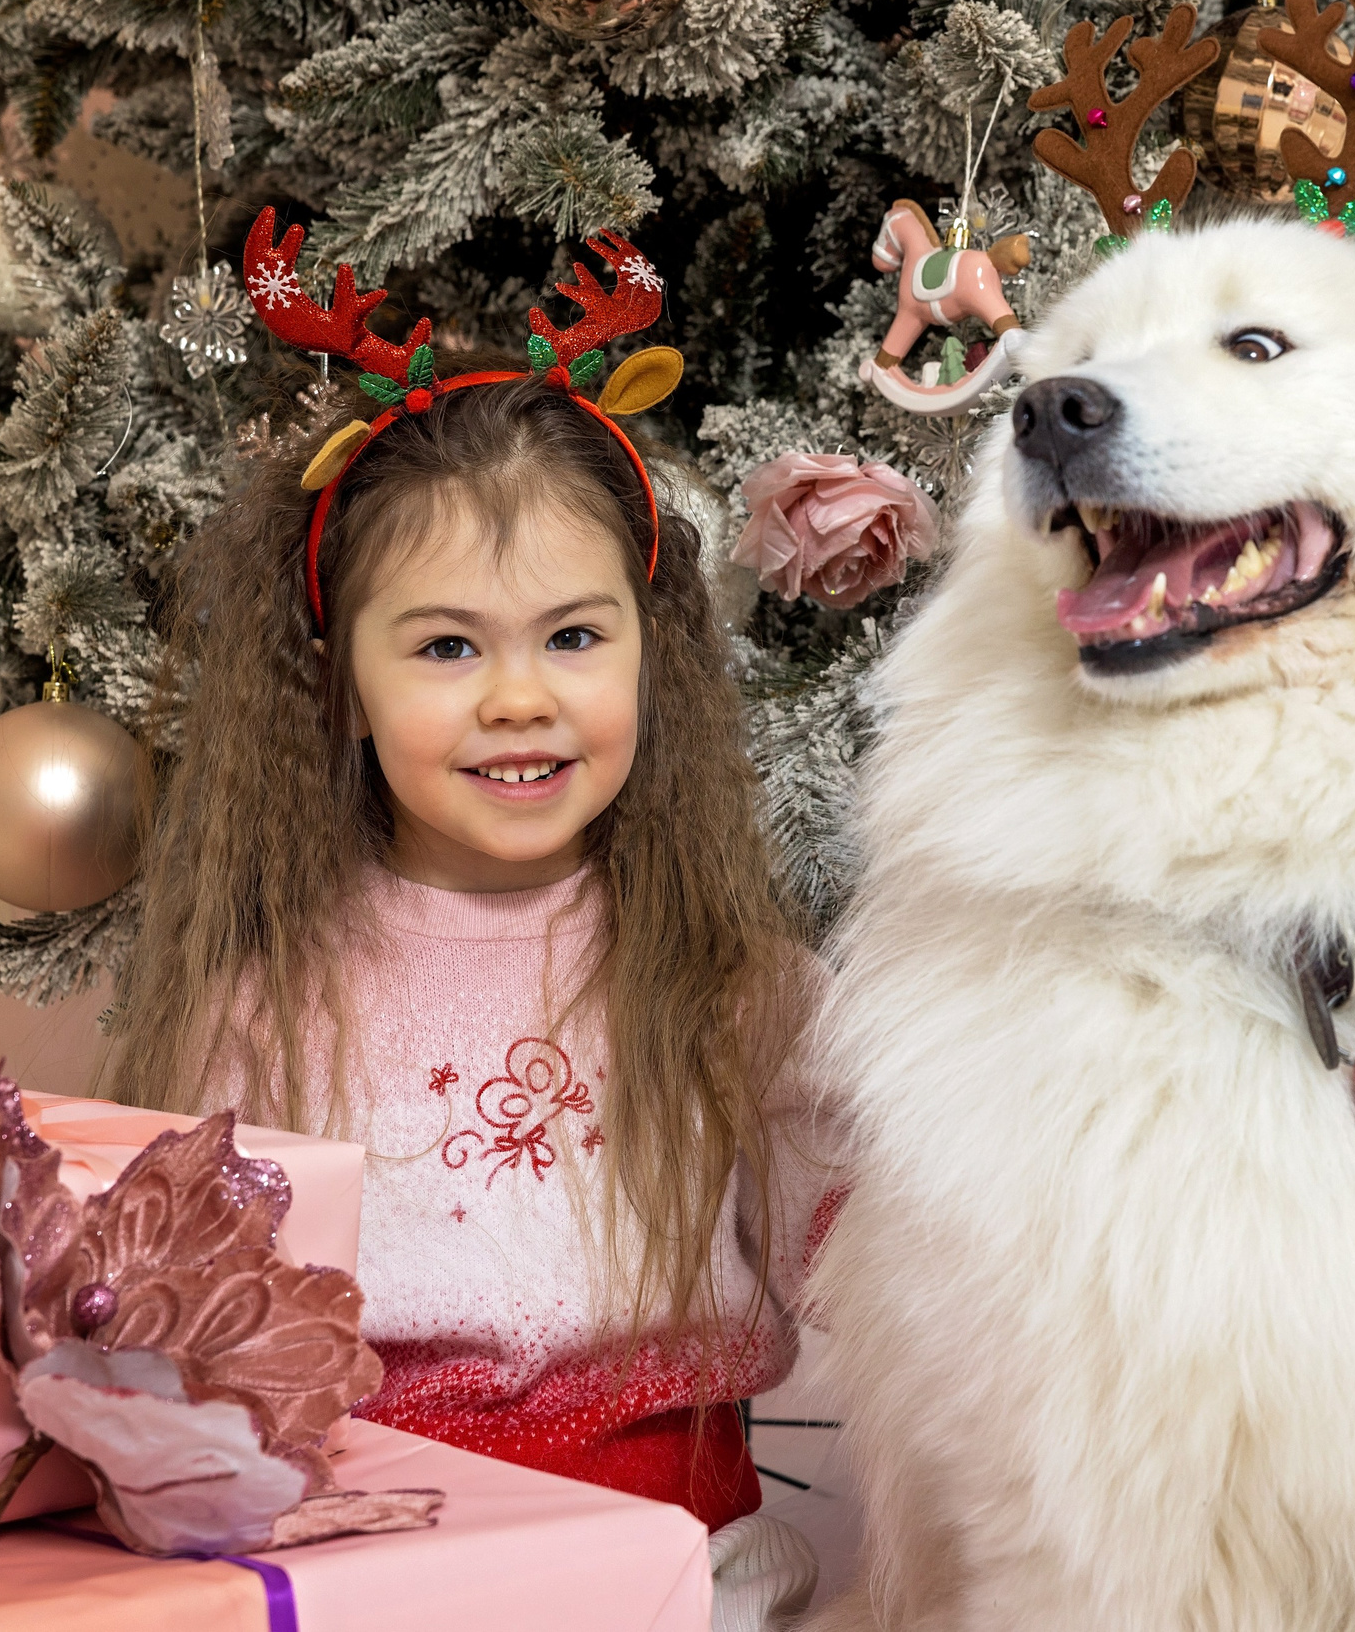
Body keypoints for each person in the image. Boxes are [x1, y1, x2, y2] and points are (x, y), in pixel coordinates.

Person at [103, 248, 838, 1628]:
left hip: (690, 1574)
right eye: (447, 649)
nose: (519, 698)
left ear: (646, 654)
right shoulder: (266, 1008)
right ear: (344, 685)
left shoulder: (734, 980)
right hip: (378, 1575)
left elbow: (888, 1256)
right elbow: (187, 1350)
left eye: (572, 636)